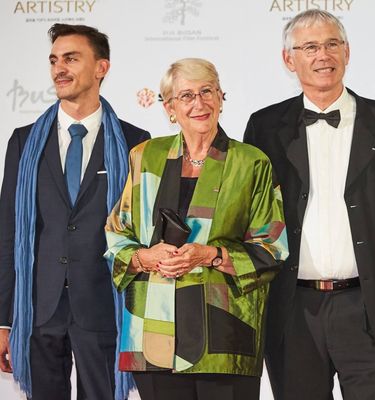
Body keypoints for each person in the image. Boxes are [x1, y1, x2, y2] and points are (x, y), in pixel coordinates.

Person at [244, 10, 375, 400]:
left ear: (347, 52)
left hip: (370, 310)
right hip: (291, 309)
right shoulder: (264, 128)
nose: (322, 55)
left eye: (332, 44)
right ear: (288, 59)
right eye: (309, 47)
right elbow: (250, 219)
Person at [104, 57, 288, 400]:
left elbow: (272, 247)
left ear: (221, 97)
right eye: (186, 96)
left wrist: (212, 255)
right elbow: (116, 235)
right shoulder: (146, 156)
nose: (199, 103)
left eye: (207, 91)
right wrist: (146, 257)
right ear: (169, 107)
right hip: (153, 334)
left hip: (225, 336)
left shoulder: (251, 163)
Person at [0, 24, 150, 400]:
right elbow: (8, 233)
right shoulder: (23, 140)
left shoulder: (136, 142)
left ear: (101, 68)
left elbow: (142, 233)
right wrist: (3, 320)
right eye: (53, 60)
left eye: (71, 58)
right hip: (38, 309)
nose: (58, 69)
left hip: (104, 305)